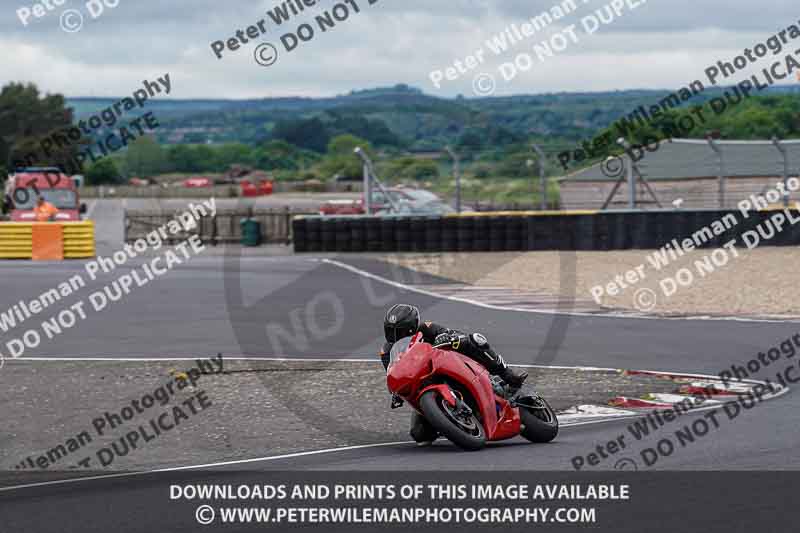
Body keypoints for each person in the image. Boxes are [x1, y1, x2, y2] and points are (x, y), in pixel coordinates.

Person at [380, 303, 528, 444]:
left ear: (412, 327)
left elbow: (450, 333)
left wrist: (447, 336)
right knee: (419, 435)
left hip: (446, 364)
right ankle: (451, 422)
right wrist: (396, 393)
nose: (394, 335)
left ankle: (507, 375)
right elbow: (393, 373)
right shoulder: (386, 352)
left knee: (475, 340)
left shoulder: (426, 328)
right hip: (421, 385)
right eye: (390, 330)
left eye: (399, 330)